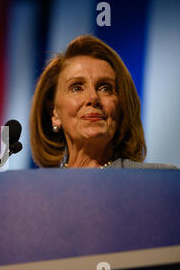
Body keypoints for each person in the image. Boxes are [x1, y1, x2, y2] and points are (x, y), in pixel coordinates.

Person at [30, 35, 178, 169]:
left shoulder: (160, 182)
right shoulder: (36, 192)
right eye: (76, 88)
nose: (93, 98)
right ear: (54, 112)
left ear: (121, 108)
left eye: (105, 88)